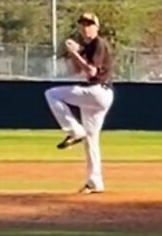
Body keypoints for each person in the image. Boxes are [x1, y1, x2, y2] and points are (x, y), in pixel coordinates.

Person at [45, 12, 116, 194]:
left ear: (97, 27)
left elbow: (91, 72)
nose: (86, 27)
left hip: (97, 91)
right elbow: (77, 71)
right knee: (91, 140)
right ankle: (95, 182)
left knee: (52, 94)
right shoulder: (89, 47)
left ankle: (74, 130)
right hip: (97, 95)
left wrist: (75, 53)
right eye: (83, 24)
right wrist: (76, 53)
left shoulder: (99, 43)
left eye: (90, 24)